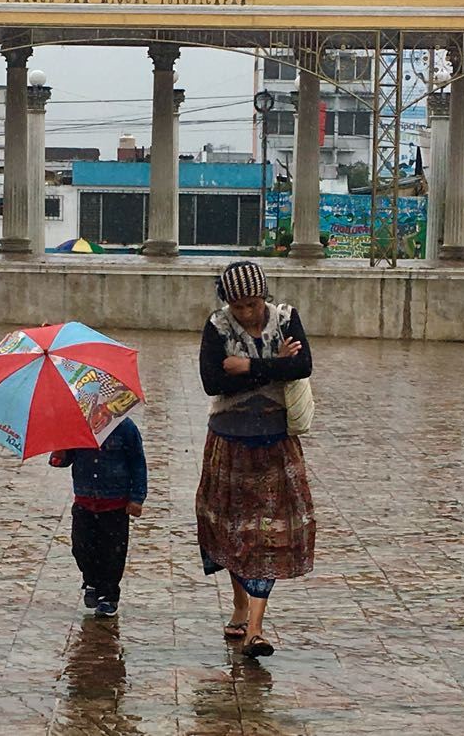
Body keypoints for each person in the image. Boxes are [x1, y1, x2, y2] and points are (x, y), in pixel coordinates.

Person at [196, 260, 316, 658]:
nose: (248, 312)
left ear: (265, 296)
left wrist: (248, 366)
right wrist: (273, 367)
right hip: (229, 440)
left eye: (253, 303)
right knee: (232, 529)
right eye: (239, 306)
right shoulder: (217, 327)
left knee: (269, 532)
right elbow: (212, 381)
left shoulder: (286, 318)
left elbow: (302, 365)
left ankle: (257, 629)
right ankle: (240, 605)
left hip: (275, 439)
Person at [50, 417, 147, 618]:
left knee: (113, 552)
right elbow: (64, 460)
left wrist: (137, 497)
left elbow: (138, 462)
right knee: (81, 546)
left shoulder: (125, 428)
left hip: (115, 503)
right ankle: (91, 580)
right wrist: (59, 453)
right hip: (85, 500)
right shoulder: (75, 427)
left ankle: (109, 595)